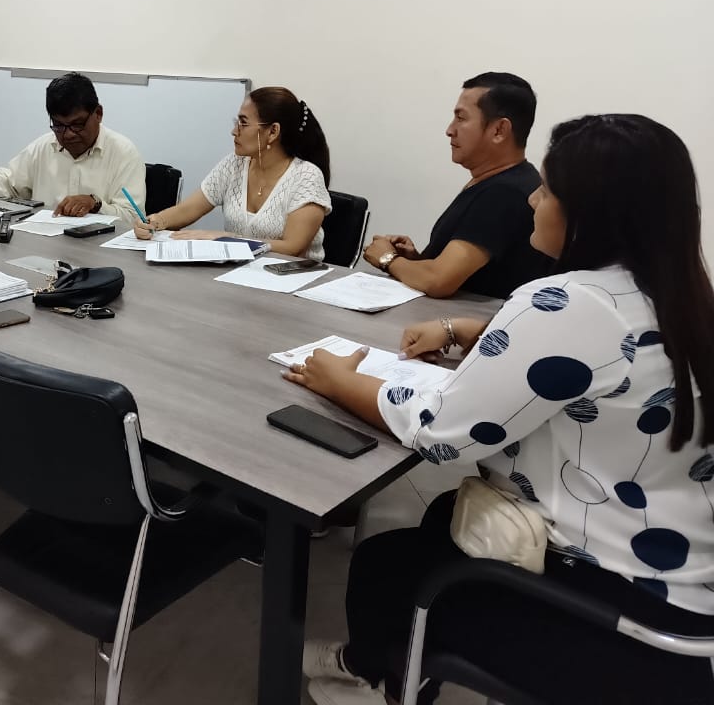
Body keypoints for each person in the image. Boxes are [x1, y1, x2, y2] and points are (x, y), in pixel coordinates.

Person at [285, 114, 714, 705]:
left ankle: (374, 680)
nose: (533, 199)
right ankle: (377, 661)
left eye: (548, 190)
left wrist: (340, 382)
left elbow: (441, 434)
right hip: (684, 591)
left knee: (385, 560)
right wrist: (474, 333)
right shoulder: (677, 293)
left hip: (618, 619)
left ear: (590, 212)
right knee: (441, 518)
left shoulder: (565, 302)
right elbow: (599, 368)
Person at [362, 72, 551, 298]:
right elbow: (470, 276)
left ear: (499, 130)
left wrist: (388, 259)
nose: (450, 130)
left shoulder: (505, 192)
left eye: (461, 118)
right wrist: (416, 261)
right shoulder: (500, 180)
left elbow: (439, 281)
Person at [133, 87, 332, 260]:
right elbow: (189, 209)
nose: (234, 131)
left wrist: (226, 239)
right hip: (240, 274)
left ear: (273, 131)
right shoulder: (234, 164)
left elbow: (292, 247)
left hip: (295, 281)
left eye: (243, 123)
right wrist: (156, 221)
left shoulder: (307, 177)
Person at [0, 72, 146, 223]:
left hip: (99, 240)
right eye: (59, 125)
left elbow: (134, 217)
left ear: (98, 114)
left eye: (77, 124)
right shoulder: (42, 147)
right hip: (43, 237)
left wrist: (95, 204)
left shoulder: (123, 153)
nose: (68, 135)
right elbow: (9, 184)